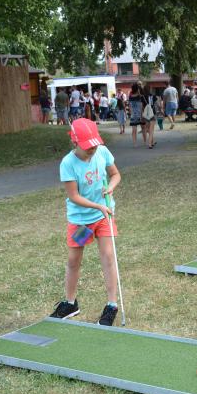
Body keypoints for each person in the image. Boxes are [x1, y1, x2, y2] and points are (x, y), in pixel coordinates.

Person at [50, 118, 122, 326]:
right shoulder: (68, 163)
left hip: (102, 217)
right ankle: (70, 303)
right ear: (74, 142)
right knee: (74, 260)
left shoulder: (102, 152)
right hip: (82, 221)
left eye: (94, 144)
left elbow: (115, 174)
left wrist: (110, 188)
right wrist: (98, 205)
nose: (92, 149)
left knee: (108, 256)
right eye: (87, 146)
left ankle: (111, 305)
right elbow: (74, 196)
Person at [127, 83, 147, 147]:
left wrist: (131, 113)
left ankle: (134, 143)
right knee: (143, 128)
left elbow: (129, 106)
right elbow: (142, 106)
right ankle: (145, 141)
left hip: (133, 114)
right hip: (140, 114)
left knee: (134, 129)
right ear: (138, 89)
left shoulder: (130, 97)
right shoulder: (140, 97)